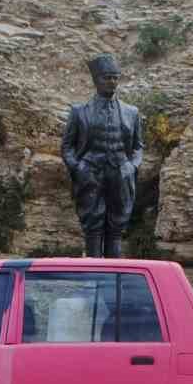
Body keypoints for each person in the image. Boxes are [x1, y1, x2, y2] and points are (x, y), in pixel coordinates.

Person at [61, 53, 145, 258]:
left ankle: (113, 273)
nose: (112, 82)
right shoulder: (79, 111)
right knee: (92, 223)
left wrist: (131, 166)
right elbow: (67, 147)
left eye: (115, 77)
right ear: (96, 80)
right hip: (90, 172)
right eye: (107, 77)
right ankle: (92, 271)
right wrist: (78, 167)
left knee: (117, 226)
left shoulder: (131, 112)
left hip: (120, 172)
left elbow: (138, 147)